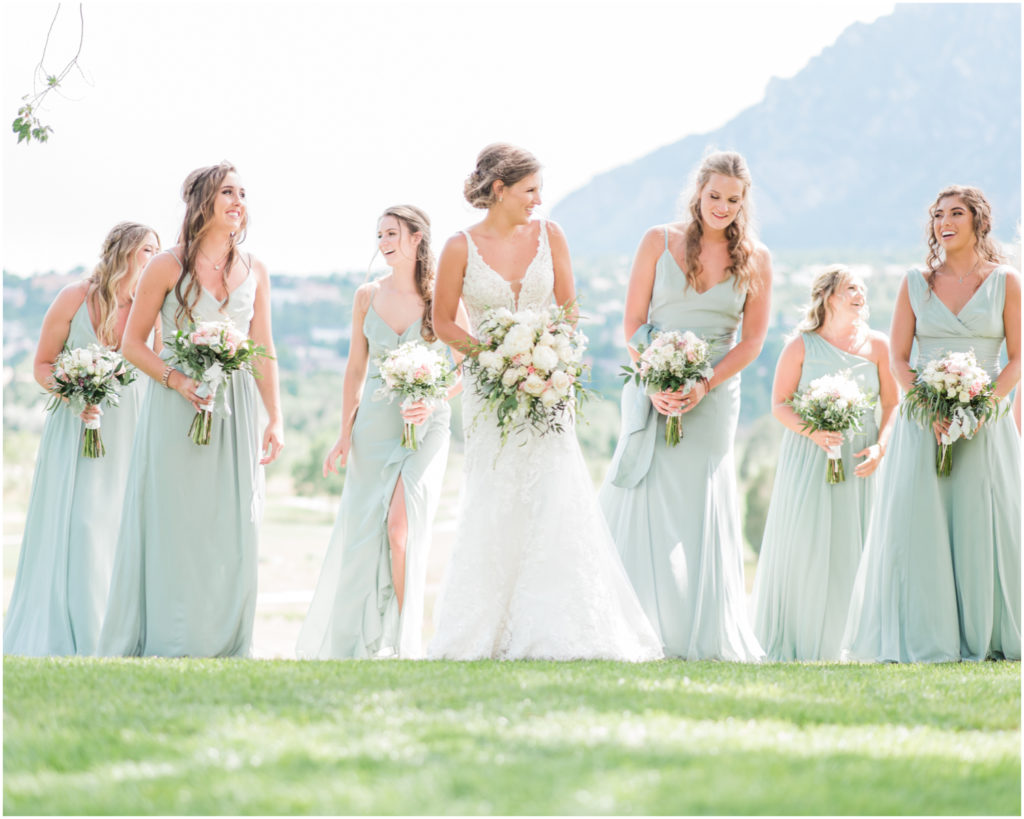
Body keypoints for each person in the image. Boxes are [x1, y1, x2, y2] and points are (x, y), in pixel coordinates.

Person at [427, 143, 663, 661]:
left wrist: (548, 358)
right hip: (490, 393)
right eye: (529, 190)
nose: (537, 200)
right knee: (494, 495)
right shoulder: (458, 246)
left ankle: (559, 625)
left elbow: (569, 309)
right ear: (499, 190)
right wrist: (494, 359)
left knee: (556, 493)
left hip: (548, 386)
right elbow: (444, 320)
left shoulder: (551, 236)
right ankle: (484, 629)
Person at [98, 161, 284, 658]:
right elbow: (133, 345)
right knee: (176, 520)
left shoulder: (257, 270)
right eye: (228, 192)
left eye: (243, 193)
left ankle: (225, 641)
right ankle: (173, 635)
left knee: (233, 522)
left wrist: (276, 418)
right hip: (177, 404)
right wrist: (177, 379)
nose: (239, 201)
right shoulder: (166, 265)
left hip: (237, 405)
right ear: (203, 201)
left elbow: (263, 348)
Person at [598, 150, 771, 661]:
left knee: (699, 501)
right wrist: (654, 380)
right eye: (714, 195)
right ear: (698, 192)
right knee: (648, 497)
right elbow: (631, 324)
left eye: (733, 200)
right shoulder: (658, 240)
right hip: (653, 382)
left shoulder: (756, 258)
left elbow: (752, 342)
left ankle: (699, 631)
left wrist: (704, 384)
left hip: (715, 396)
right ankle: (637, 627)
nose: (721, 207)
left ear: (744, 203)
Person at [843, 185, 1021, 662]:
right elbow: (899, 359)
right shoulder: (914, 281)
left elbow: (1017, 358)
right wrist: (930, 405)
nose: (945, 221)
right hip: (925, 422)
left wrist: (981, 409)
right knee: (923, 524)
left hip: (986, 422)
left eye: (956, 213)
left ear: (978, 221)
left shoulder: (1006, 281)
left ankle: (989, 633)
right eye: (938, 214)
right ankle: (927, 630)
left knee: (981, 521)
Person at [298, 205, 467, 659]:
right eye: (379, 234)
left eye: (391, 233)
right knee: (365, 532)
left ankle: (405, 637)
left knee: (399, 526)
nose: (383, 241)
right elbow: (356, 368)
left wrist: (432, 399)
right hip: (373, 424)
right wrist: (342, 433)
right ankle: (367, 640)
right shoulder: (366, 296)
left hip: (425, 425)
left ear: (416, 239)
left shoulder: (442, 298)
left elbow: (465, 368)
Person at [4, 223, 160, 656]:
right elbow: (41, 364)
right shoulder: (74, 296)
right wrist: (73, 392)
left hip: (130, 424)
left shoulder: (154, 306)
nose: (156, 258)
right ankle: (81, 630)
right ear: (125, 252)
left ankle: (119, 633)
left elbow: (159, 366)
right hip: (75, 426)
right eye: (149, 249)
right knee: (83, 521)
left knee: (119, 522)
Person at [750, 266, 898, 661]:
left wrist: (881, 447)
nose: (860, 294)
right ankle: (805, 636)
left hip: (861, 458)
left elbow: (891, 403)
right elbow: (779, 405)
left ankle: (856, 638)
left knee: (861, 542)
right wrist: (814, 433)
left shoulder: (879, 346)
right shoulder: (800, 346)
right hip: (810, 455)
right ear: (829, 296)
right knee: (808, 543)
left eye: (863, 288)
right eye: (851, 287)